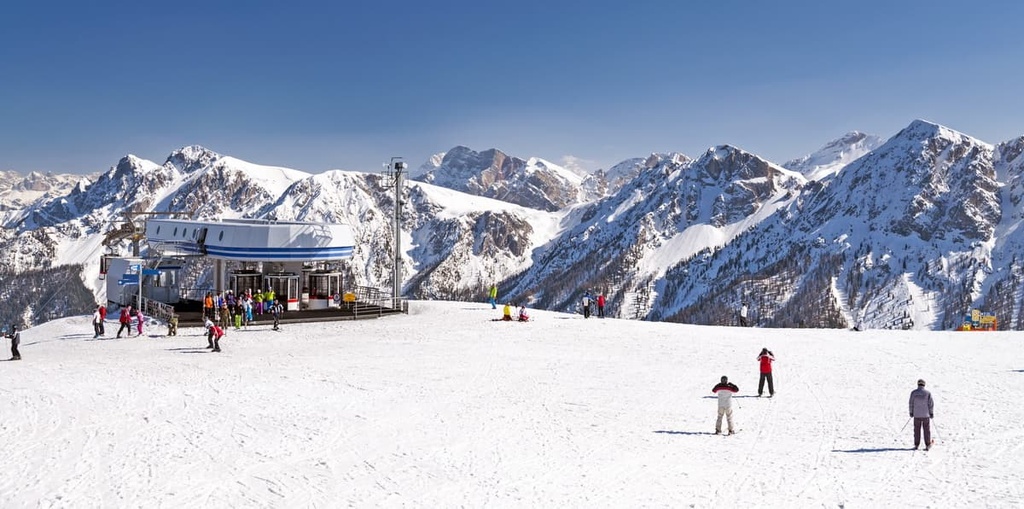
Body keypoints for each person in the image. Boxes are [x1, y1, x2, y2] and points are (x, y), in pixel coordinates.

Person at [909, 379, 935, 450]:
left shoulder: (913, 393)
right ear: (924, 385)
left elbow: (911, 403)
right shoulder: (927, 393)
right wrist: (931, 413)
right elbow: (931, 404)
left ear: (918, 384)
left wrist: (911, 412)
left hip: (916, 415)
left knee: (917, 430)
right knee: (926, 430)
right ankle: (927, 444)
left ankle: (916, 444)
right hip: (926, 415)